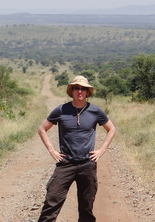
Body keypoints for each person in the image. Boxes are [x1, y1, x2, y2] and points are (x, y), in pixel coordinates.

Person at [37, 75, 116, 222]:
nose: (80, 91)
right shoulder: (61, 110)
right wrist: (51, 150)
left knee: (86, 207)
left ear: (87, 92)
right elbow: (42, 129)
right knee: (52, 200)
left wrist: (101, 150)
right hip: (66, 164)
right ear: (72, 91)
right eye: (76, 88)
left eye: (83, 89)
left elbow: (111, 129)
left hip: (87, 164)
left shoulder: (95, 111)